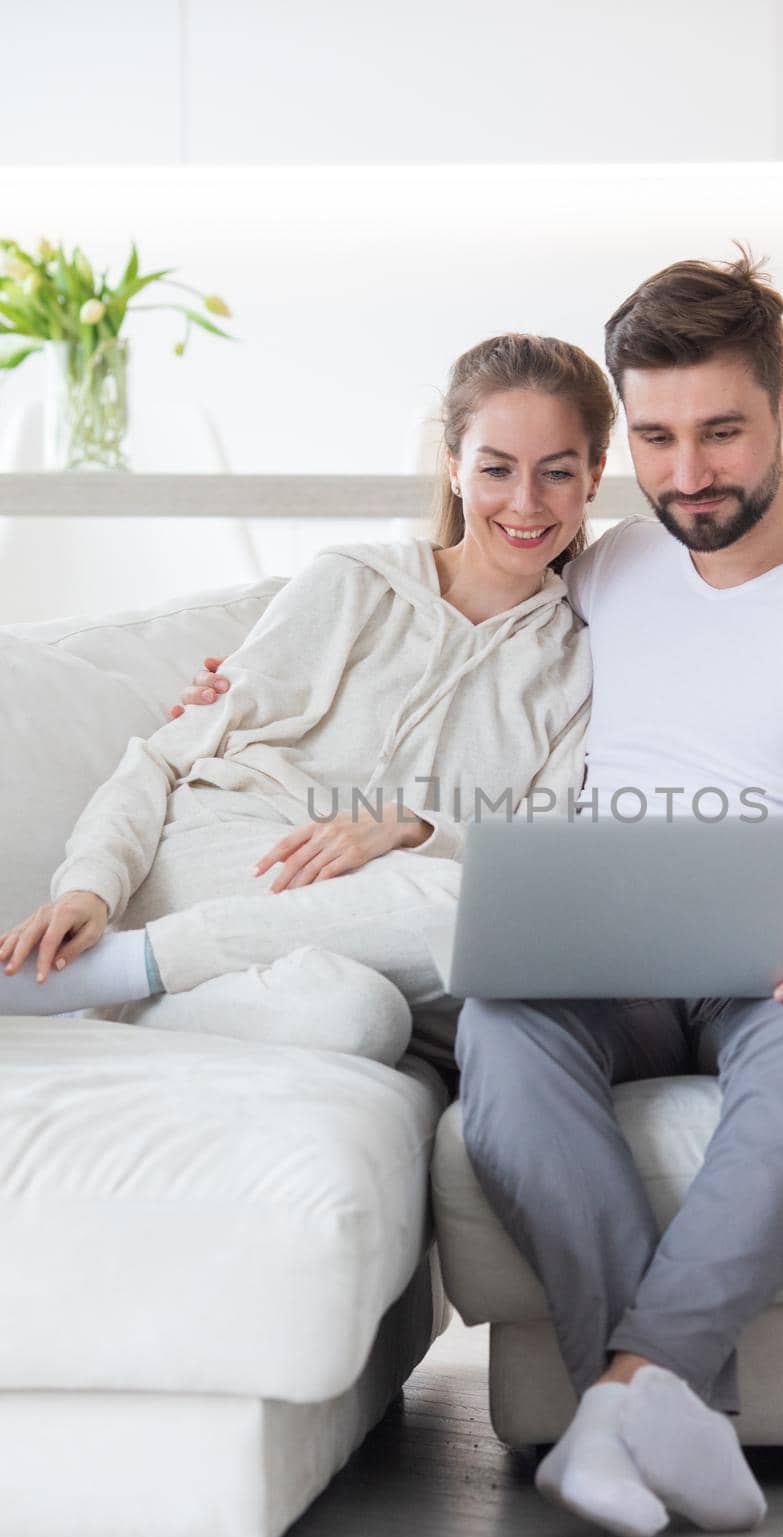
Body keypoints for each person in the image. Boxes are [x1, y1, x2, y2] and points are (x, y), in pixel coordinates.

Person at [453, 251, 783, 1537]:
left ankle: (624, 1394)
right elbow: (437, 618)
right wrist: (246, 698)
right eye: (658, 439)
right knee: (499, 1031)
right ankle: (676, 1415)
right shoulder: (610, 564)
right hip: (621, 958)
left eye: (721, 432)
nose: (687, 477)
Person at [0, 333, 609, 1064]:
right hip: (235, 851)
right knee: (454, 905)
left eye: (556, 473)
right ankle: (128, 962)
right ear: (453, 469)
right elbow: (162, 759)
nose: (524, 502)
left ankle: (112, 992)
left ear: (595, 476)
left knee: (361, 1019)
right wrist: (90, 890)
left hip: (378, 920)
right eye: (496, 469)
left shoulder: (577, 663)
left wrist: (410, 829)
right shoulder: (353, 581)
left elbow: (534, 858)